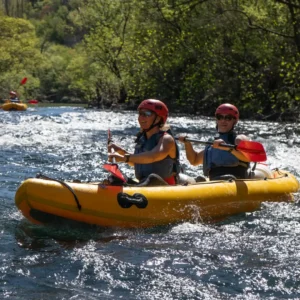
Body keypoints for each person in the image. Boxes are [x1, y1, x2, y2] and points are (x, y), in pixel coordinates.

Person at [108, 99, 180, 185]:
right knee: (113, 179)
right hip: (144, 183)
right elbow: (138, 161)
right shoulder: (143, 138)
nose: (141, 117)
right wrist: (121, 152)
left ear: (158, 119)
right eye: (140, 114)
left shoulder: (167, 139)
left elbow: (153, 156)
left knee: (152, 178)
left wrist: (125, 157)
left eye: (147, 114)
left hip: (164, 186)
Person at [177, 103, 251, 181]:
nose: (223, 120)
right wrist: (187, 144)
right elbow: (194, 160)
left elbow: (248, 158)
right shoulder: (213, 143)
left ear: (234, 120)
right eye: (220, 117)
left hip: (235, 180)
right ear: (217, 119)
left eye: (228, 118)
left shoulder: (239, 139)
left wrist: (228, 148)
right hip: (215, 181)